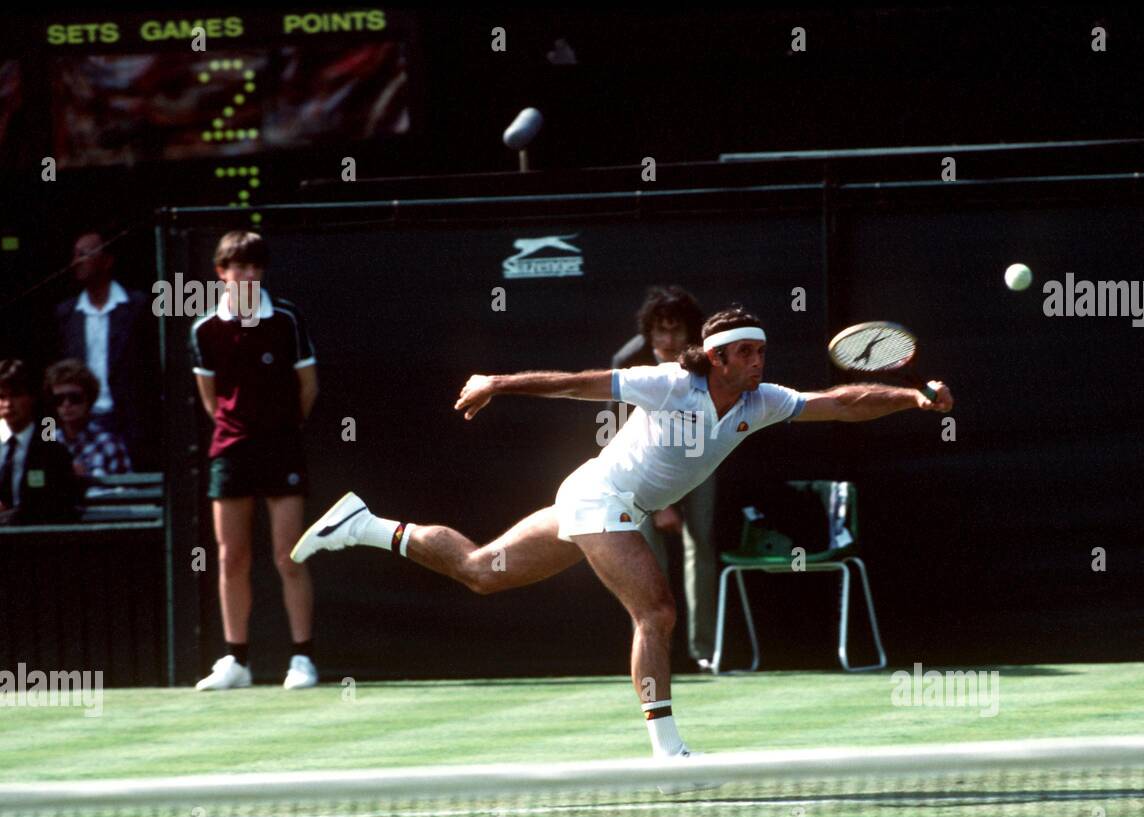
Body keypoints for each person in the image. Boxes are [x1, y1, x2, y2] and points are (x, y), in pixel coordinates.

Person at [291, 306, 953, 759]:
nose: (758, 362)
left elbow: (838, 403)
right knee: (657, 610)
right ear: (717, 357)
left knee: (482, 570)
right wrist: (498, 382)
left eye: (761, 352)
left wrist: (911, 398)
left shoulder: (762, 401)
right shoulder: (670, 383)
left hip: (605, 502)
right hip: (600, 495)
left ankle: (366, 524)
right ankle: (668, 751)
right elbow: (580, 385)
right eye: (746, 352)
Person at [189, 231, 320, 691]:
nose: (245, 274)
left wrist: (281, 428)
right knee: (231, 558)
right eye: (236, 267)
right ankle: (236, 661)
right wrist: (239, 430)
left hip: (282, 446)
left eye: (253, 266)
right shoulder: (204, 329)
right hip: (230, 450)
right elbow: (212, 399)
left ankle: (302, 659)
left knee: (290, 555)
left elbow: (308, 388)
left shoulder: (286, 319)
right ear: (220, 273)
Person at [610, 286, 717, 669]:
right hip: (637, 471)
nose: (670, 340)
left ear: (691, 333)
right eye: (661, 331)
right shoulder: (628, 361)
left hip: (698, 460)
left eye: (678, 330)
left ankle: (704, 652)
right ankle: (657, 650)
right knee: (644, 562)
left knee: (701, 547)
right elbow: (614, 428)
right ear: (649, 333)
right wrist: (662, 504)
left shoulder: (706, 359)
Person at [52, 232, 160, 471]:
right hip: (80, 422)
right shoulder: (66, 314)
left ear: (107, 261)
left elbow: (153, 369)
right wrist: (50, 435)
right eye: (74, 255)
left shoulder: (137, 307)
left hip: (131, 424)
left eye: (84, 254)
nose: (76, 262)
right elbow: (53, 380)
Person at [0, 359, 82, 526]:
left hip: (35, 542)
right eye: (1, 397)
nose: (8, 405)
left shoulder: (52, 452)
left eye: (16, 395)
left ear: (31, 398)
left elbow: (58, 507)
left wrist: (15, 517)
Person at [44, 359, 132, 477]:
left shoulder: (108, 444)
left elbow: (126, 492)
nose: (66, 405)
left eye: (74, 398)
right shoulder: (47, 444)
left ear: (89, 400)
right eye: (59, 399)